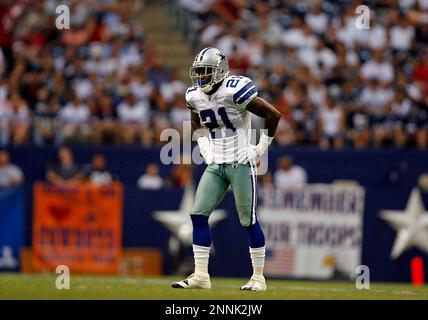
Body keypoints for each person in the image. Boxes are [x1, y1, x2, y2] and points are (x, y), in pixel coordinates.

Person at [171, 47, 281, 291]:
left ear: (220, 72)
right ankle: (201, 276)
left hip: (240, 161)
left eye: (206, 72)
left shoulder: (235, 89)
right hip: (215, 163)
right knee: (198, 215)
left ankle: (258, 278)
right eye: (198, 73)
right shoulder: (194, 95)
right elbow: (196, 120)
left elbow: (273, 115)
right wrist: (203, 144)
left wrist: (260, 148)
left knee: (248, 221)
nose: (201, 78)